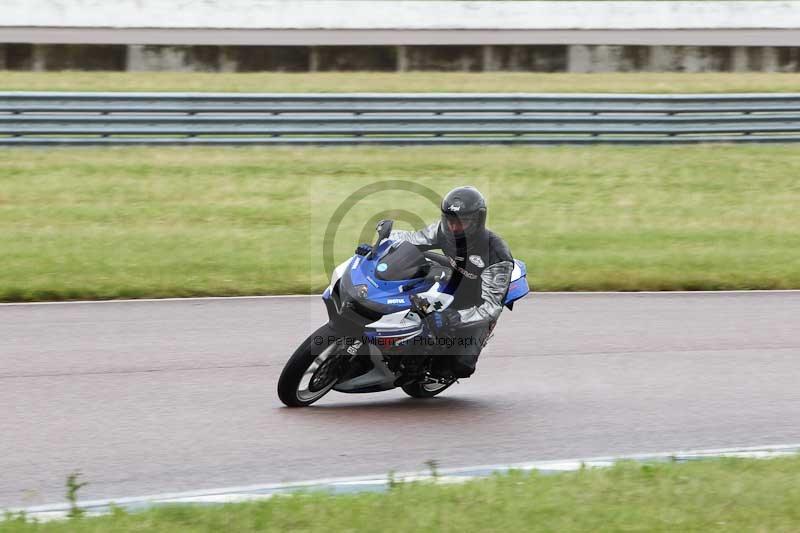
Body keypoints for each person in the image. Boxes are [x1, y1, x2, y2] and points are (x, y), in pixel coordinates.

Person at [378, 186, 514, 378]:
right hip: (452, 281)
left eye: (462, 222)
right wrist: (384, 238)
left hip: (476, 302)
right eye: (449, 221)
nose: (453, 227)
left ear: (478, 221)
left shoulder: (497, 256)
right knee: (410, 300)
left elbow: (490, 307)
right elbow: (413, 239)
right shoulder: (443, 230)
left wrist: (454, 317)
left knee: (459, 366)